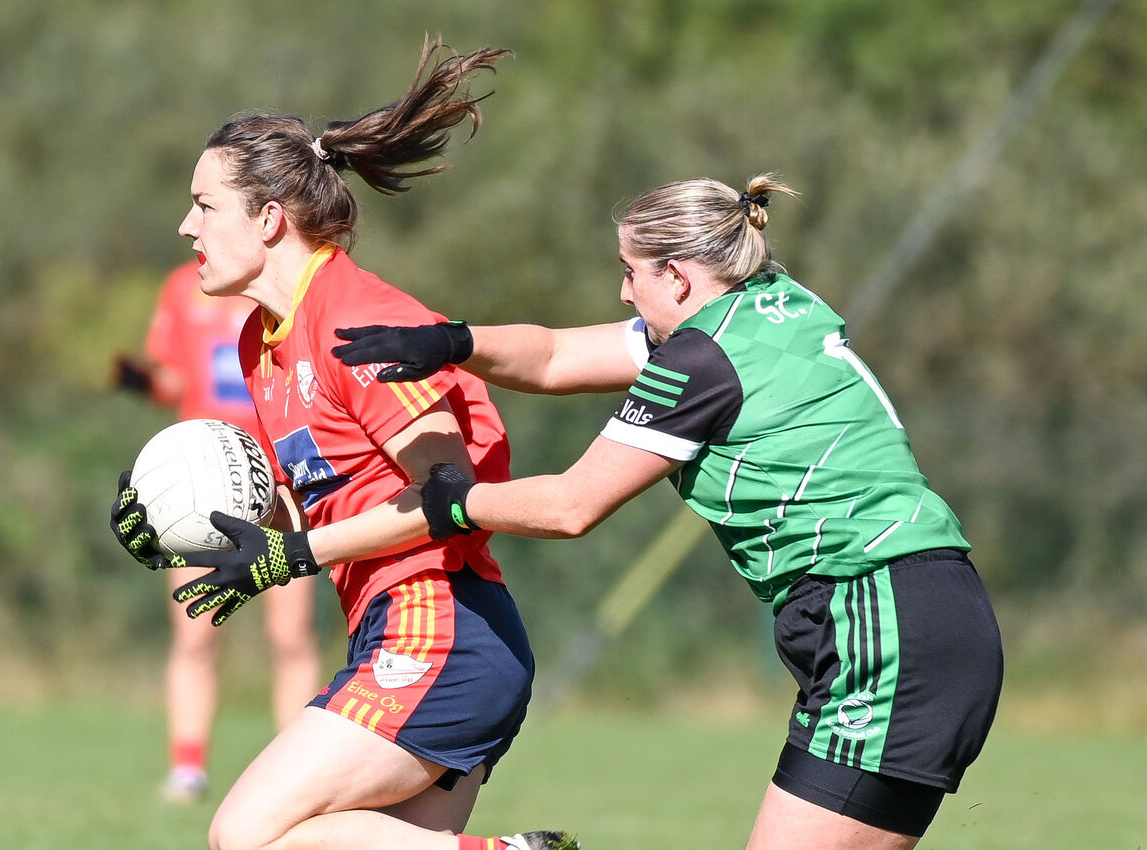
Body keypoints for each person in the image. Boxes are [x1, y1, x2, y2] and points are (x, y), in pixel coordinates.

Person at [331, 174, 1005, 849]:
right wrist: (455, 341)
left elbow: (573, 505)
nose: (624, 291)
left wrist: (453, 501)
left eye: (631, 273)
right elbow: (557, 357)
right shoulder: (777, 302)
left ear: (678, 277)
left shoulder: (701, 357)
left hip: (877, 620)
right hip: (920, 613)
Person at [109, 38, 576, 850]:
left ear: (267, 219)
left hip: (440, 629)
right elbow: (310, 492)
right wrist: (184, 519)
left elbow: (445, 496)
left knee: (244, 833)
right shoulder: (263, 341)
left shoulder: (355, 319)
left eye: (204, 204)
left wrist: (295, 556)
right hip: (395, 625)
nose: (186, 225)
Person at [113, 260, 322, 803]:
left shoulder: (286, 286)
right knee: (195, 635)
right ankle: (188, 770)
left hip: (279, 487)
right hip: (196, 496)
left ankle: (296, 770)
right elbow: (175, 383)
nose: (196, 227)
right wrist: (139, 381)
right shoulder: (183, 286)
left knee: (290, 638)